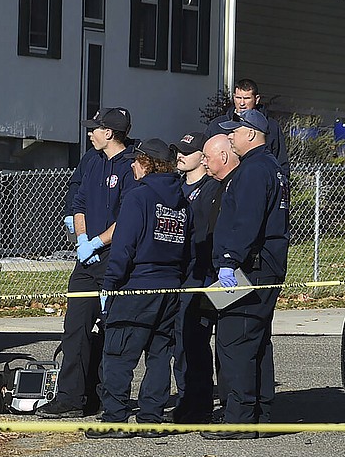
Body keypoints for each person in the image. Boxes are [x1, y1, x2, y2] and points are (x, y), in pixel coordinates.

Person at [87, 138, 191, 438]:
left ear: (147, 163)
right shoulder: (182, 200)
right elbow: (187, 248)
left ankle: (116, 418)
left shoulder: (138, 197)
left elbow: (123, 247)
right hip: (170, 287)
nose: (132, 164)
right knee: (159, 355)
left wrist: (110, 284)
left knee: (118, 353)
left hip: (137, 286)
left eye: (136, 160)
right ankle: (151, 417)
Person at [38, 107, 137, 418]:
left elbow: (128, 218)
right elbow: (78, 200)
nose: (90, 133)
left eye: (95, 128)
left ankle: (106, 398)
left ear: (109, 133)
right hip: (86, 259)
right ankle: (69, 397)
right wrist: (82, 239)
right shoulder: (91, 159)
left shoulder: (132, 165)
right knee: (75, 327)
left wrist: (99, 241)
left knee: (111, 330)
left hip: (115, 258)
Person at [205, 108, 289, 439]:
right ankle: (260, 414)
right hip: (264, 264)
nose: (230, 138)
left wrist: (229, 258)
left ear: (252, 134)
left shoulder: (254, 170)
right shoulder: (272, 167)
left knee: (235, 340)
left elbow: (247, 220)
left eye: (234, 133)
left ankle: (239, 417)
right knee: (256, 340)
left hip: (249, 267)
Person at [170, 131, 227, 423]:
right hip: (177, 273)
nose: (180, 155)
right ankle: (185, 398)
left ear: (203, 159)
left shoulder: (212, 190)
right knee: (179, 341)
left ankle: (201, 403)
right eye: (178, 150)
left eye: (187, 151)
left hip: (202, 274)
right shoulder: (175, 188)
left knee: (195, 340)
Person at [206, 78, 290, 178]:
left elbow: (281, 162)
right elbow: (205, 157)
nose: (242, 103)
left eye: (246, 98)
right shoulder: (218, 124)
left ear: (257, 99)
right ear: (233, 97)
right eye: (238, 98)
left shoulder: (271, 127)